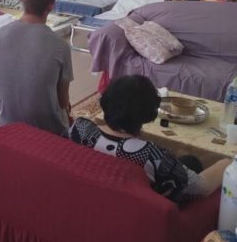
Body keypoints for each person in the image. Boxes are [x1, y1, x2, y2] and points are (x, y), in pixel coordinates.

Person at [69, 75, 230, 202]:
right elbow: (202, 187)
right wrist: (227, 162)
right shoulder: (152, 154)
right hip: (143, 208)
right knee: (193, 163)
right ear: (149, 113)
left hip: (94, 192)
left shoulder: (80, 128)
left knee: (189, 160)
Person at [0, 0, 73, 134]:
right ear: (51, 5)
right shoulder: (60, 46)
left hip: (8, 125)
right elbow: (63, 101)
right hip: (49, 133)